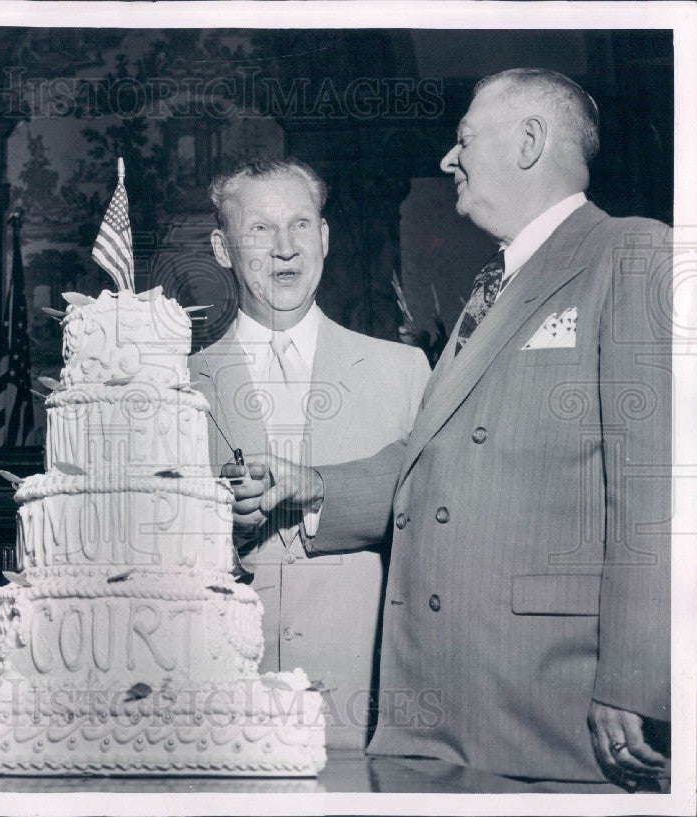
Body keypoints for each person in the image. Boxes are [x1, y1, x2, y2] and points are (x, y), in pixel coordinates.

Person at [230, 69, 671, 789]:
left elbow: (658, 484)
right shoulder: (489, 288)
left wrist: (637, 676)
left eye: (464, 139)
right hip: (447, 705)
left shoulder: (630, 254)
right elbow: (433, 455)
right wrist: (313, 486)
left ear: (529, 142)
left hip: (550, 705)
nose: (447, 158)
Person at [189, 158, 430, 748]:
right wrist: (215, 525)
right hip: (216, 707)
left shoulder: (403, 372)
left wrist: (319, 489)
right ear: (223, 249)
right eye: (260, 230)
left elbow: (431, 516)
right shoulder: (176, 383)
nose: (285, 250)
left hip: (361, 707)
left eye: (300, 226)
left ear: (324, 238)